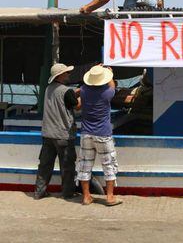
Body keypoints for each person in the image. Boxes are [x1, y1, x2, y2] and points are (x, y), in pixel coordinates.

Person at [76, 65, 122, 206]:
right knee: (109, 165)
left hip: (86, 134)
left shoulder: (83, 90)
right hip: (103, 133)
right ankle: (109, 197)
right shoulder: (107, 92)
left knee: (84, 166)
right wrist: (110, 73)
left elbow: (78, 103)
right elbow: (113, 85)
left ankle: (86, 196)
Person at [34, 63, 80, 199]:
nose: (68, 75)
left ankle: (39, 192)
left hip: (48, 133)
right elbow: (76, 106)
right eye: (66, 73)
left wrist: (76, 92)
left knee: (45, 165)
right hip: (63, 134)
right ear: (60, 76)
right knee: (67, 167)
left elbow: (63, 98)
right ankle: (67, 193)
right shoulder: (67, 91)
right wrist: (86, 93)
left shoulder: (49, 89)